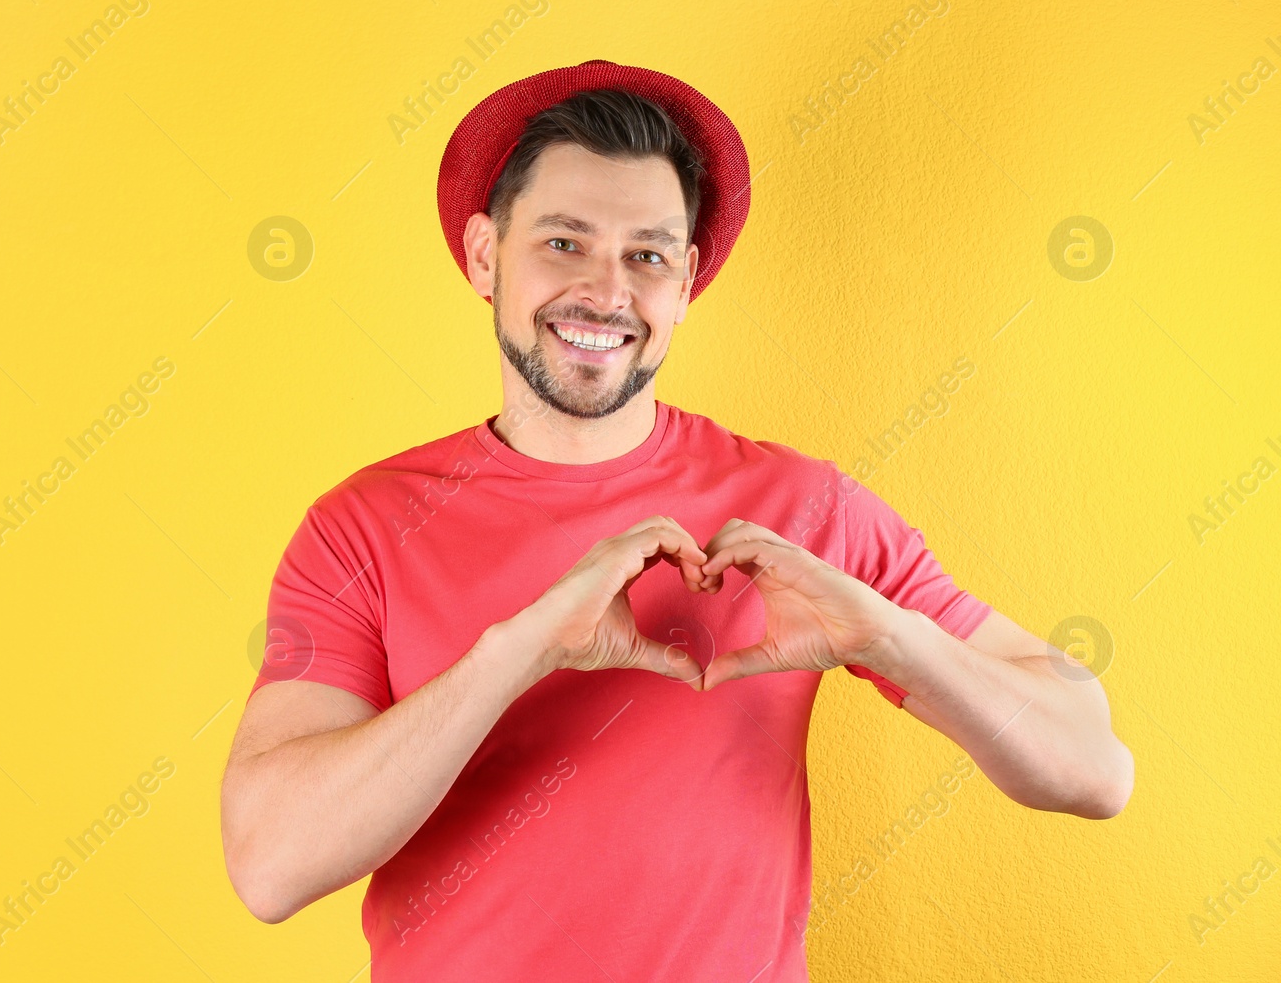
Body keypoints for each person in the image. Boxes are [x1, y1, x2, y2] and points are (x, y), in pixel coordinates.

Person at [220, 59, 1133, 981]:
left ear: (687, 277)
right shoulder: (361, 527)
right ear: (485, 253)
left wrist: (891, 638)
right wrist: (519, 650)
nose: (608, 293)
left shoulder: (803, 510)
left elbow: (1093, 769)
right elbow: (269, 863)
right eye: (564, 243)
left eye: (646, 254)